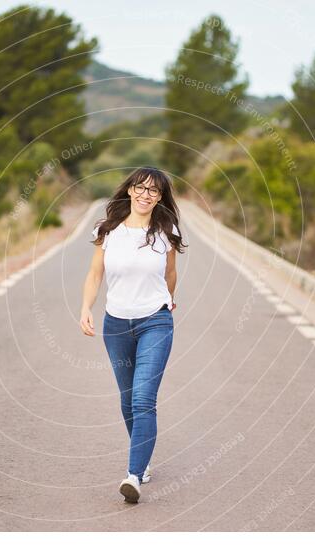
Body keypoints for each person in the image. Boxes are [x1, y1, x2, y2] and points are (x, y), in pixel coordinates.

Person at [79, 166, 186, 503]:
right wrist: (86, 308)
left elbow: (170, 273)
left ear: (160, 198)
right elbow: (95, 273)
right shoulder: (108, 229)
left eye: (153, 191)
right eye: (140, 188)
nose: (145, 194)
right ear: (129, 190)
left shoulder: (165, 230)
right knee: (127, 400)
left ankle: (133, 476)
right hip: (116, 325)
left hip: (155, 322)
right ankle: (144, 458)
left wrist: (167, 301)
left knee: (143, 399)